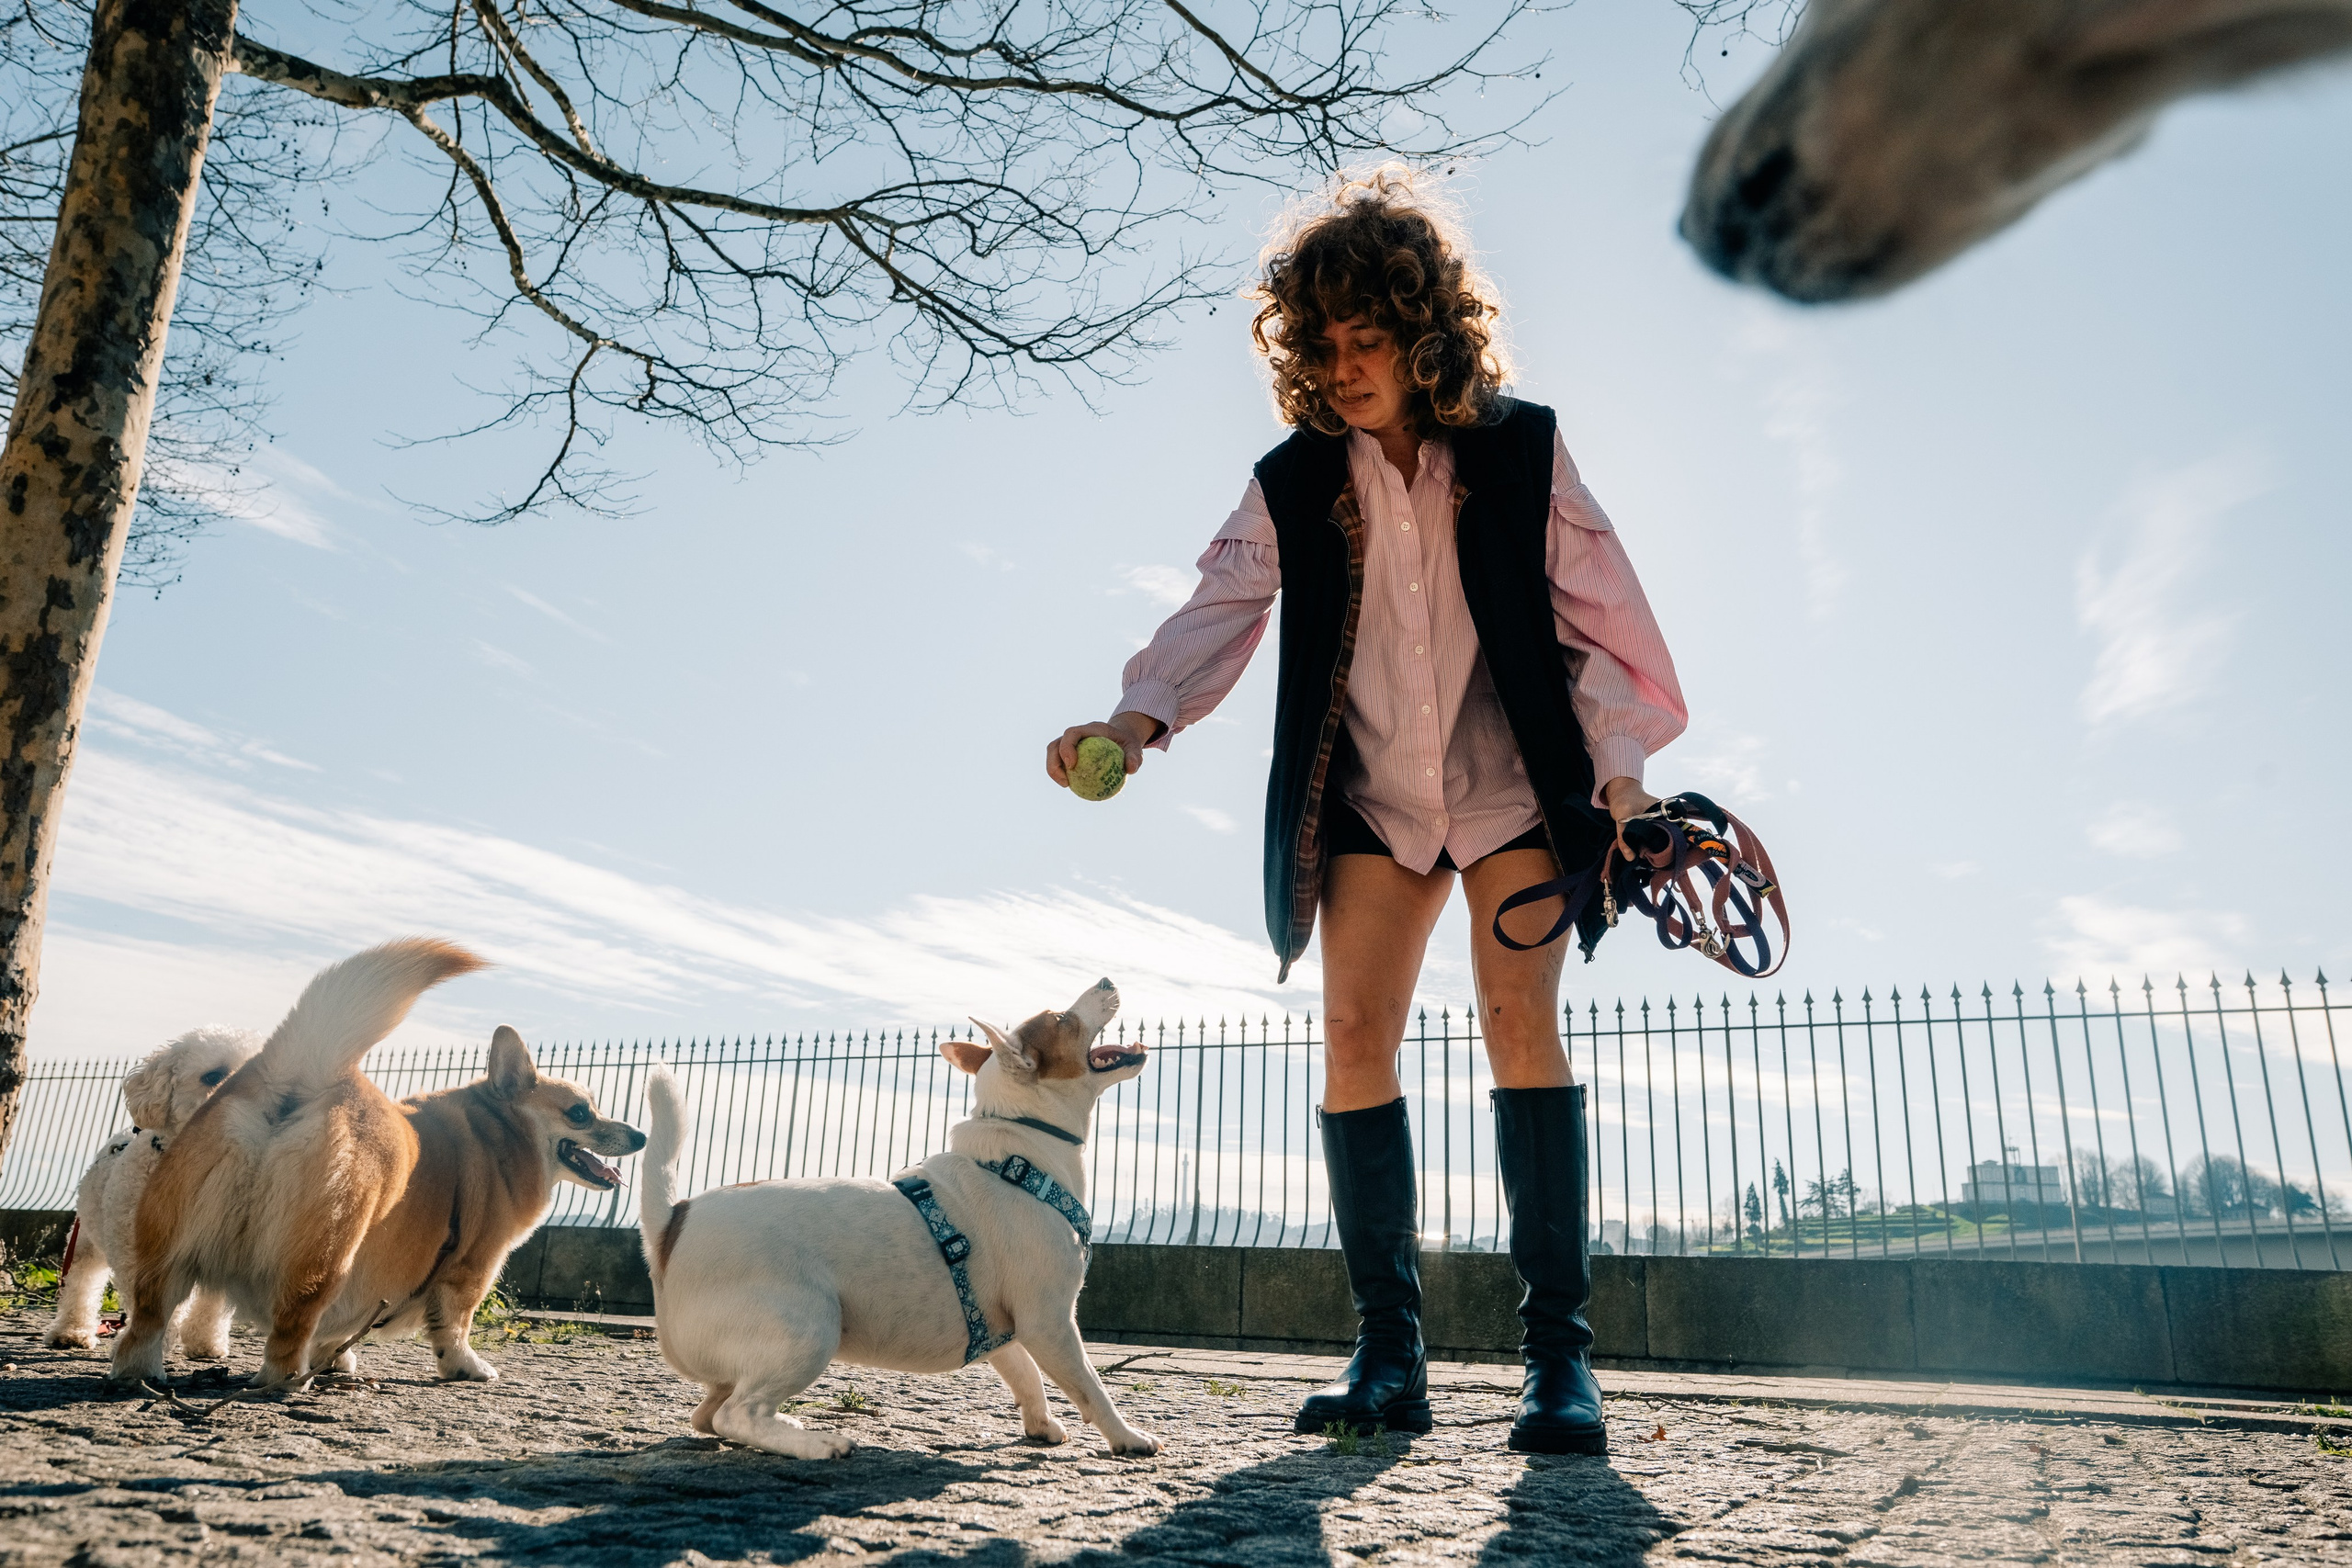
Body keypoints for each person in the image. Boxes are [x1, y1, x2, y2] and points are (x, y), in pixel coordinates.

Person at [1045, 172, 1686, 1457]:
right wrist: (1131, 722)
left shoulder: (1522, 450)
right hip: (1372, 798)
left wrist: (1621, 783)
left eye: (1369, 339)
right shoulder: (1292, 482)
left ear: (1426, 332)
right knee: (1351, 1037)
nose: (1343, 369)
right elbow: (1220, 613)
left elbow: (1602, 627)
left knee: (1518, 1023)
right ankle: (1388, 1354)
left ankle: (1559, 1362)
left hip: (1511, 788)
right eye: (1322, 344)